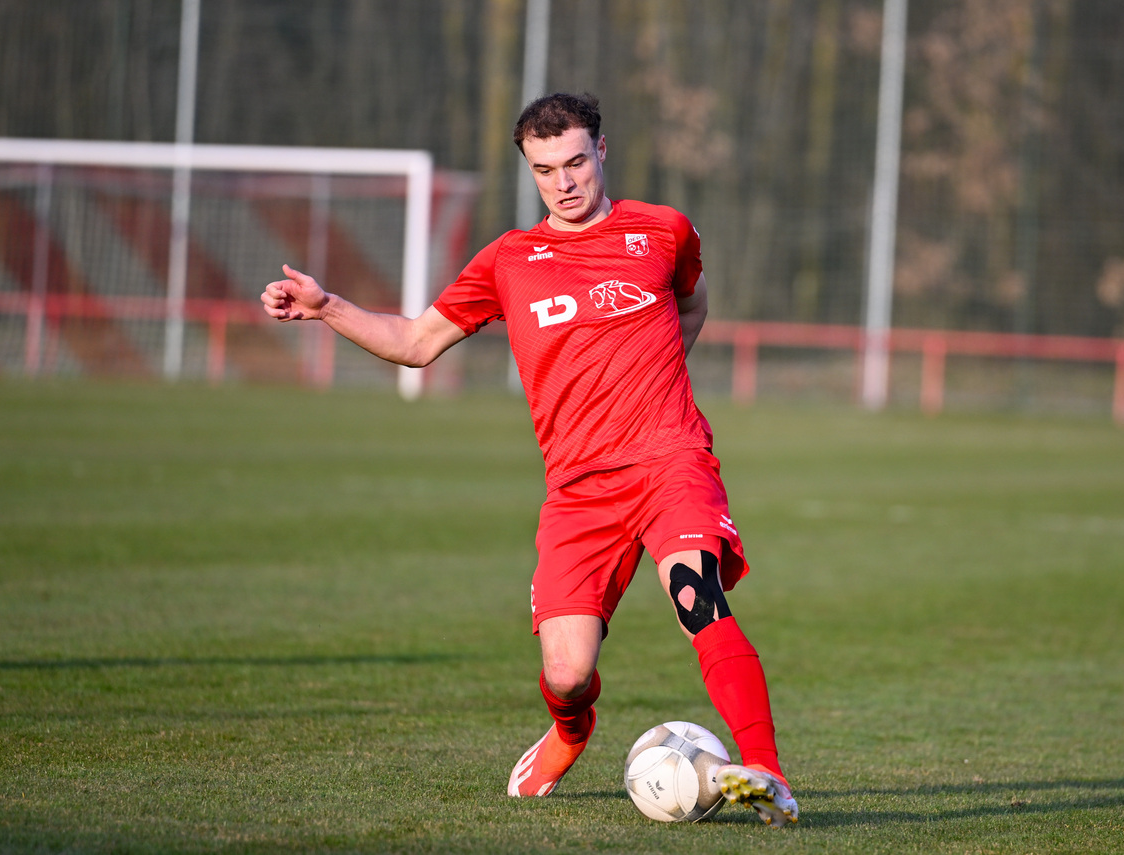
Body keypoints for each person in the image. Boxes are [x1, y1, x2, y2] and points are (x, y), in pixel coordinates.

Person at [261, 92, 798, 827]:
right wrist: (327, 308)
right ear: (530, 170)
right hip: (578, 489)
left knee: (698, 599)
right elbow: (417, 343)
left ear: (601, 152)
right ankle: (573, 729)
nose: (564, 181)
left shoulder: (663, 232)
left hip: (670, 460)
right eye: (545, 170)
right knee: (567, 672)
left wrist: (661, 380)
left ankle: (767, 770)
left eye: (576, 161)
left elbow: (693, 304)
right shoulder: (509, 260)